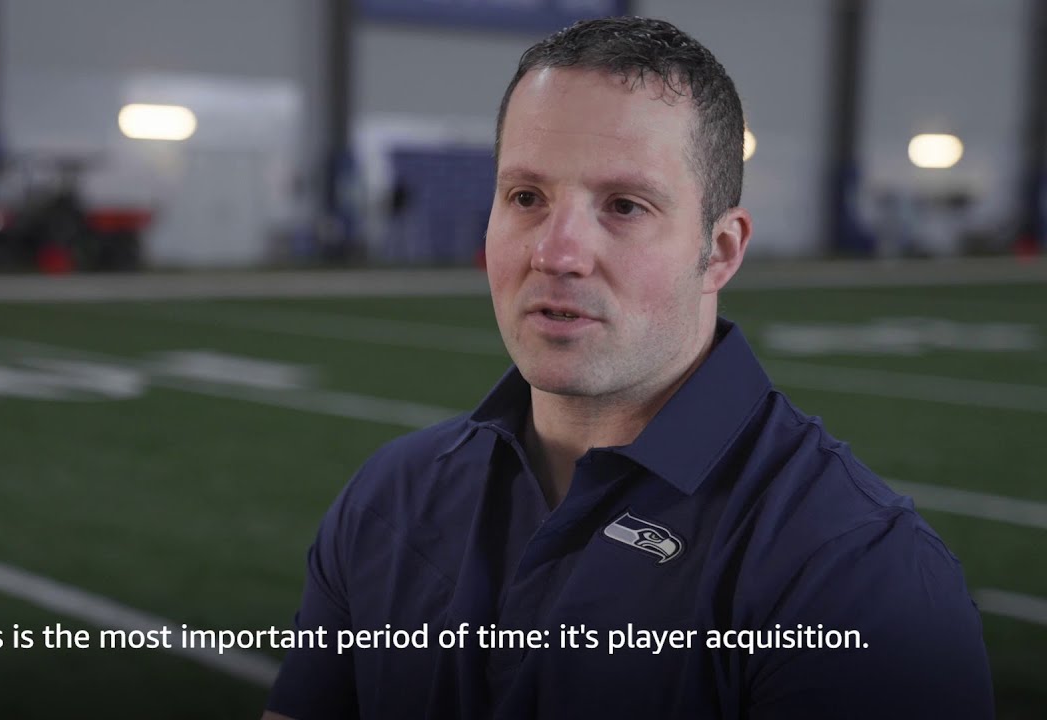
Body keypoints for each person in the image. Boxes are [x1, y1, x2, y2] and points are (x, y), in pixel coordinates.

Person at [263, 16, 994, 720]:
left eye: (623, 206)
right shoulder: (390, 497)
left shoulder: (855, 571)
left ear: (722, 250)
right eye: (526, 197)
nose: (556, 253)